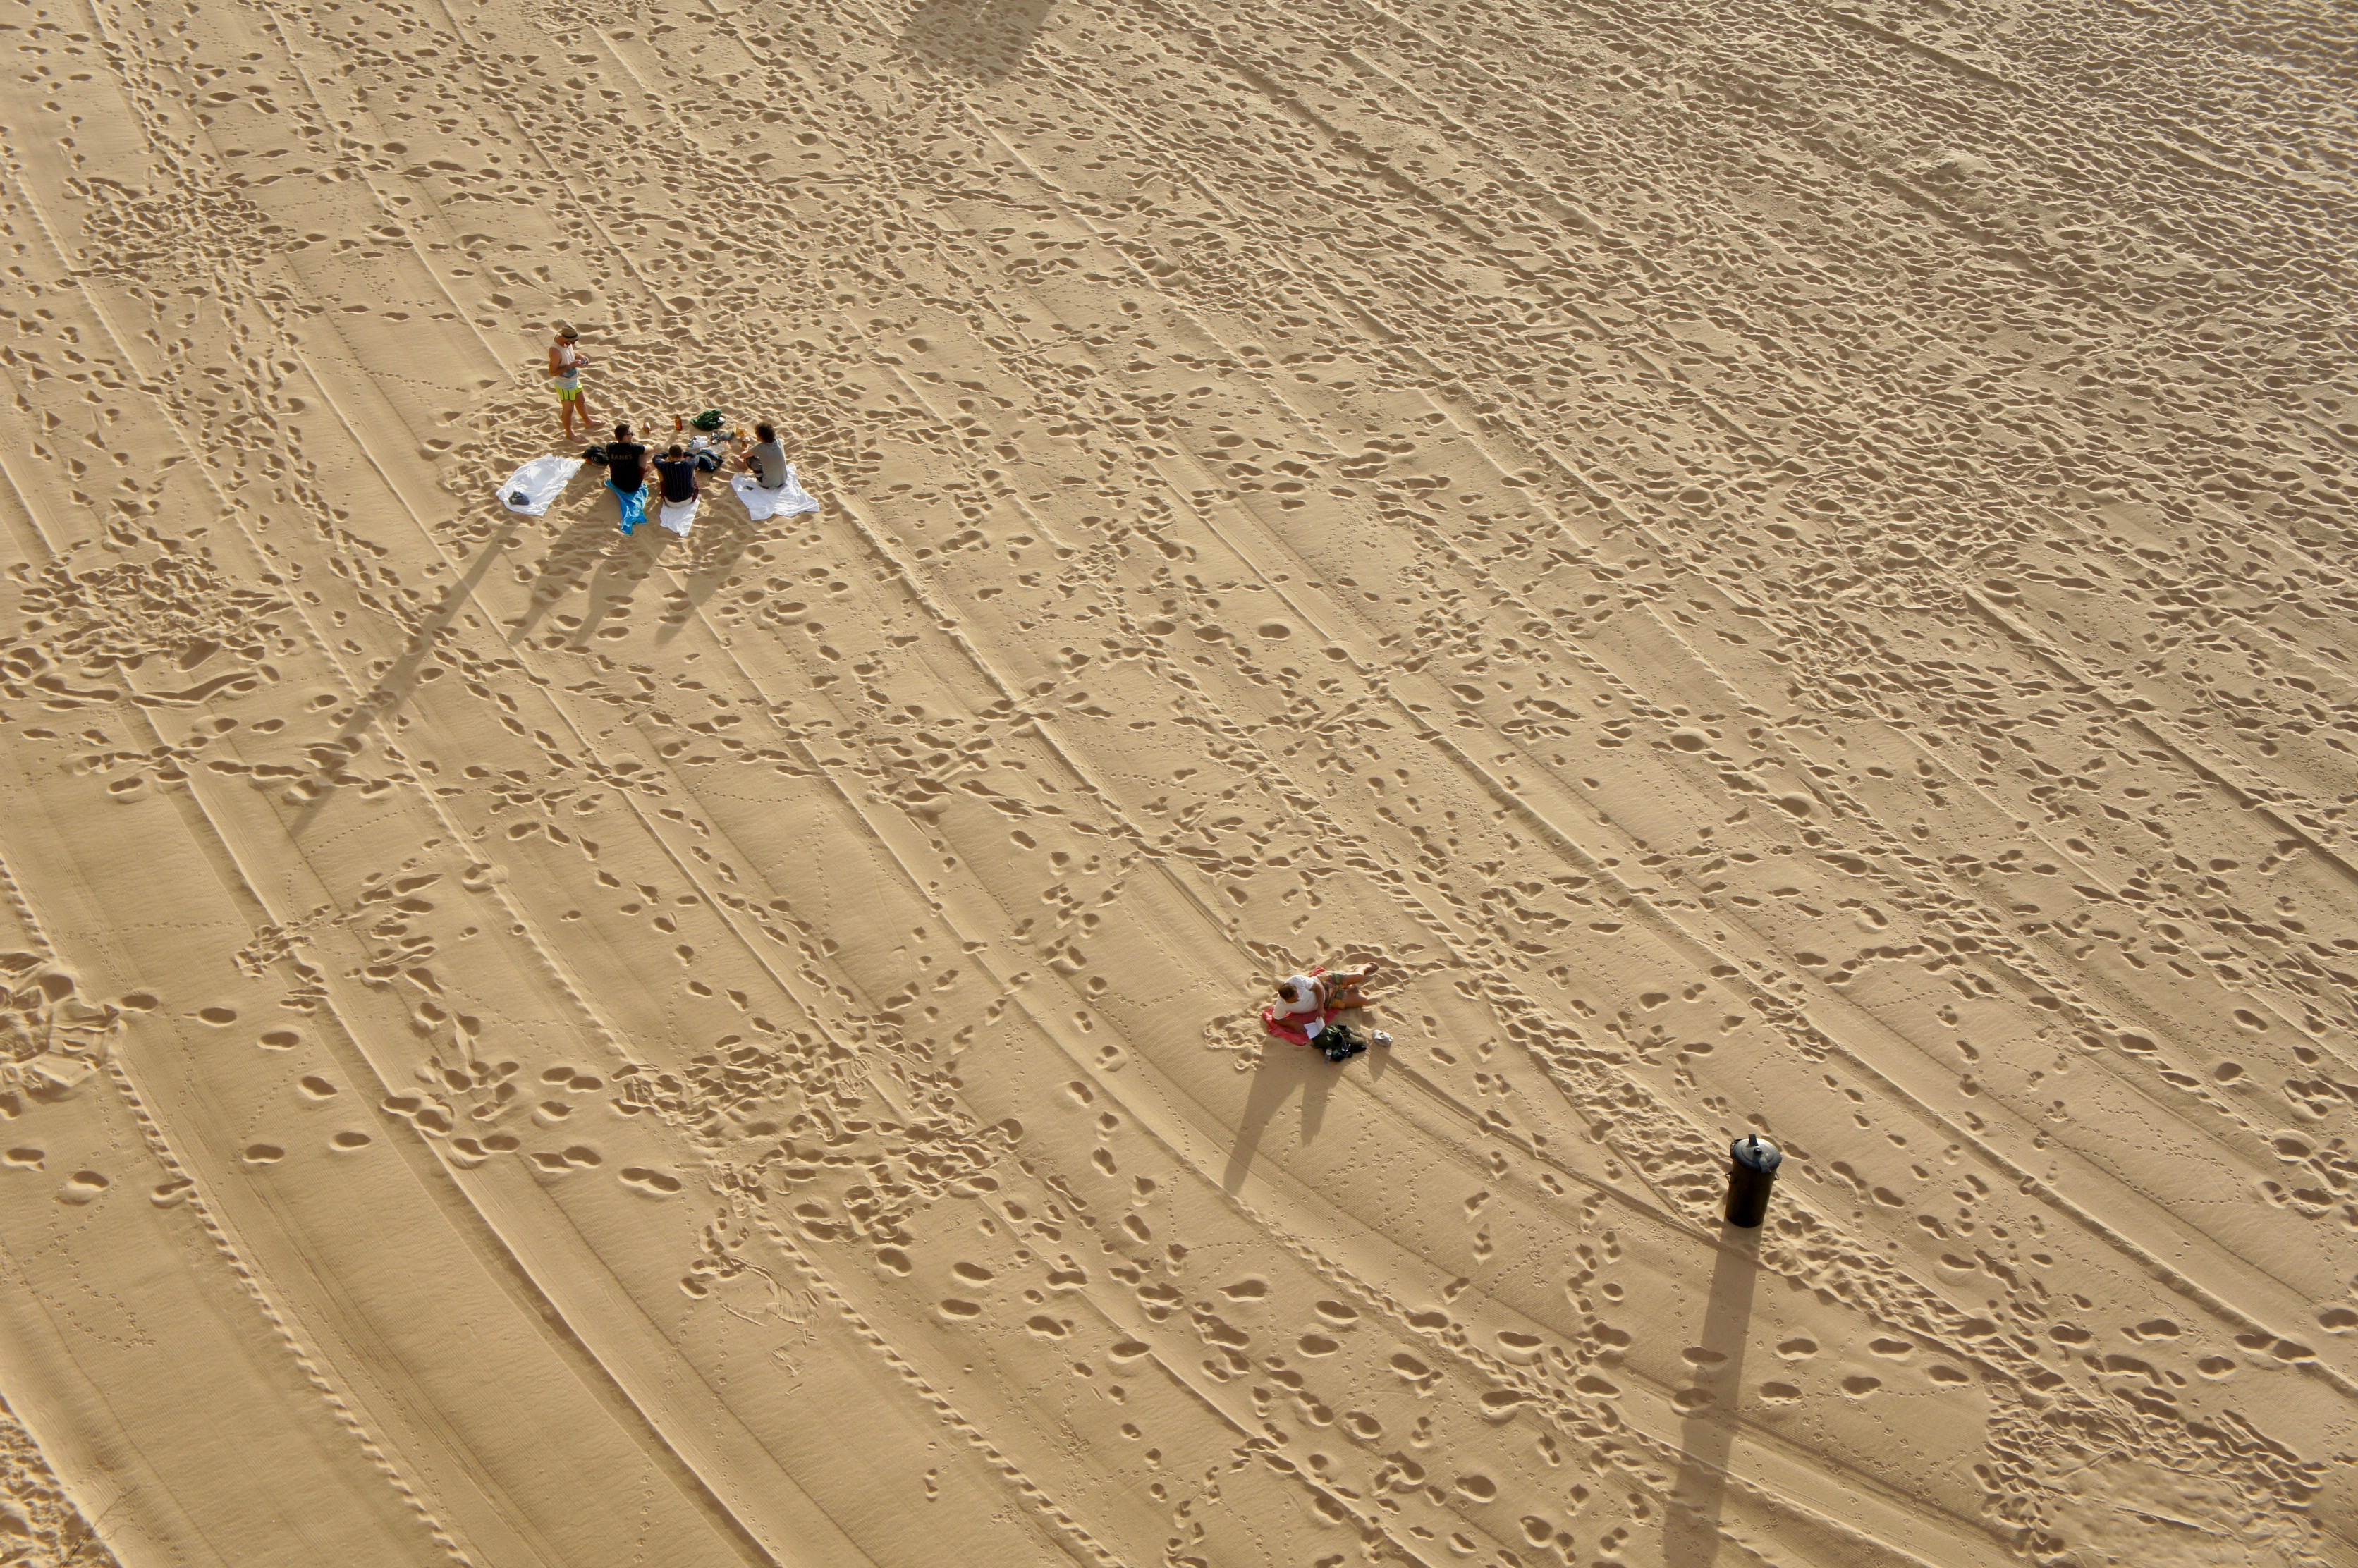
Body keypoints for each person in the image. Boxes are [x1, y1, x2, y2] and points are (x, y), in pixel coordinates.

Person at [549, 326, 594, 441]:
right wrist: (571, 366)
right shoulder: (555, 351)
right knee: (568, 410)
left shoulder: (566, 343)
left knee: (581, 401)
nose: (574, 343)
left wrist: (580, 356)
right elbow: (552, 372)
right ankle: (569, 433)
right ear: (565, 338)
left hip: (574, 380)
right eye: (573, 341)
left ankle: (588, 422)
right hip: (565, 385)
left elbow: (570, 353)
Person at [604, 422, 650, 535]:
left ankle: (642, 470)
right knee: (644, 454)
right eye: (631, 434)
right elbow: (650, 448)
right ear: (625, 437)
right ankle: (644, 471)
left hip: (616, 482)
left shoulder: (610, 447)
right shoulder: (633, 448)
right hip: (633, 485)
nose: (632, 436)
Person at [740, 422, 789, 489]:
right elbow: (783, 441)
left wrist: (745, 449)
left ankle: (744, 466)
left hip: (767, 484)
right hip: (783, 480)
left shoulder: (760, 448)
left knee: (749, 458)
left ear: (760, 437)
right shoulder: (779, 441)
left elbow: (742, 456)